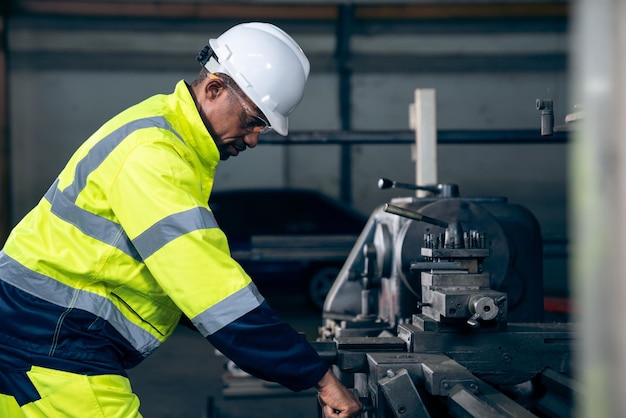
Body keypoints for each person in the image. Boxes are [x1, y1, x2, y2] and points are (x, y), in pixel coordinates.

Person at [0, 22, 362, 418]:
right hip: (54, 350)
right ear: (214, 89)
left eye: (262, 127)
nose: (255, 138)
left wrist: (277, 343)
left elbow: (184, 288)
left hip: (31, 338)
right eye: (252, 120)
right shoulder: (155, 155)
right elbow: (209, 287)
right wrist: (320, 378)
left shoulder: (163, 132)